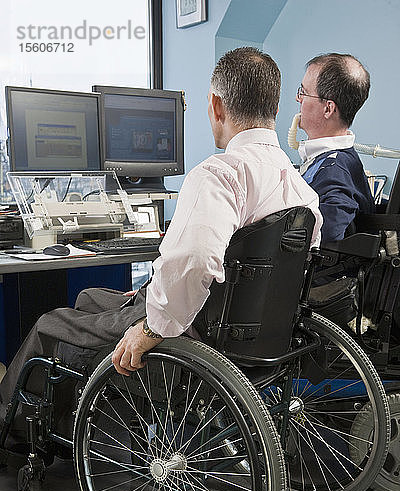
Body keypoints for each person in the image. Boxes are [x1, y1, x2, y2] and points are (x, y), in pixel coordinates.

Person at [0, 47, 322, 440]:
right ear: (273, 107)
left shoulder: (221, 173)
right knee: (87, 298)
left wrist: (151, 329)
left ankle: (7, 424)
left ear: (216, 106)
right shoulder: (300, 188)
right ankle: (76, 420)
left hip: (194, 336)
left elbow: (195, 260)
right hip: (252, 336)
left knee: (49, 325)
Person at [296, 53, 374, 242]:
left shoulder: (334, 170)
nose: (298, 99)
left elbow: (329, 236)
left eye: (304, 92)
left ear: (328, 109)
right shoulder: (334, 161)